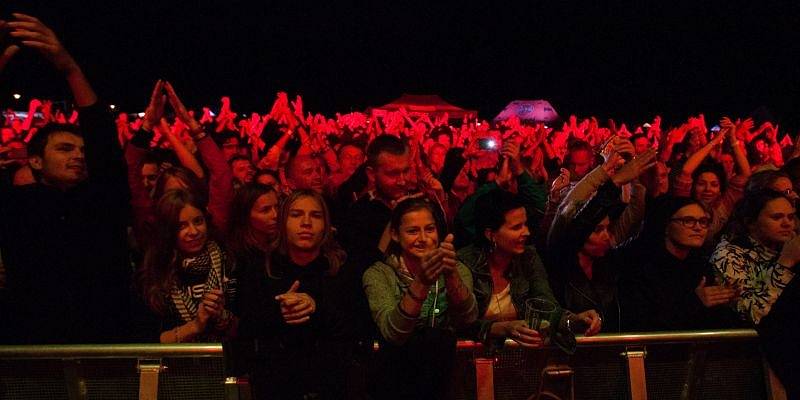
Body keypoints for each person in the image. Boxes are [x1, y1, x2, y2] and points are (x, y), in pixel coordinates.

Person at [0, 14, 132, 343]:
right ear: (35, 161)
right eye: (64, 148)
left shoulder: (100, 201)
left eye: (81, 149)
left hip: (104, 346)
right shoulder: (18, 207)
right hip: (36, 351)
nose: (78, 154)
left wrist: (69, 67)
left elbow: (103, 141)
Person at [236, 190, 351, 399]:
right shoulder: (259, 269)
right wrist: (278, 311)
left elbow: (355, 330)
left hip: (331, 386)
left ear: (326, 225)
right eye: (296, 215)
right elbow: (245, 329)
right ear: (282, 222)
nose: (306, 223)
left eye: (315, 216)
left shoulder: (342, 270)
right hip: (277, 387)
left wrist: (316, 308)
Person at [458, 189, 601, 352]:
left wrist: (575, 320)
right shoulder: (465, 263)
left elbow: (546, 306)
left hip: (518, 361)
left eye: (525, 224)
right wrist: (501, 328)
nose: (526, 232)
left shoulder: (528, 257)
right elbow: (461, 324)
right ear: (491, 234)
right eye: (516, 227)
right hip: (472, 360)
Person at [363, 197, 477, 399]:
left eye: (430, 229)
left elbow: (469, 318)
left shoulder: (457, 268)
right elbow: (393, 333)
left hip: (444, 380)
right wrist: (421, 282)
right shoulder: (379, 274)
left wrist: (450, 275)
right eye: (413, 231)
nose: (423, 238)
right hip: (394, 382)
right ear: (395, 235)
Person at [710, 189, 800, 397]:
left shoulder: (787, 247)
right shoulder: (729, 254)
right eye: (777, 217)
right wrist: (785, 264)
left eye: (791, 217)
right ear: (751, 222)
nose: (787, 223)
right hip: (749, 365)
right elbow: (752, 313)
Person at [619, 196, 739, 331]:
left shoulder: (701, 266)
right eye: (688, 221)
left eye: (703, 221)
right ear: (666, 226)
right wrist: (696, 302)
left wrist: (727, 303)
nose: (698, 227)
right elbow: (643, 322)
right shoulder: (642, 268)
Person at [135, 189, 236, 342]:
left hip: (227, 358)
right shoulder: (155, 273)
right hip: (178, 362)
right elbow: (147, 340)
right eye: (181, 226)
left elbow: (247, 328)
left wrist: (221, 315)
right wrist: (194, 326)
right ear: (167, 231)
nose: (193, 231)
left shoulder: (228, 260)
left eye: (198, 221)